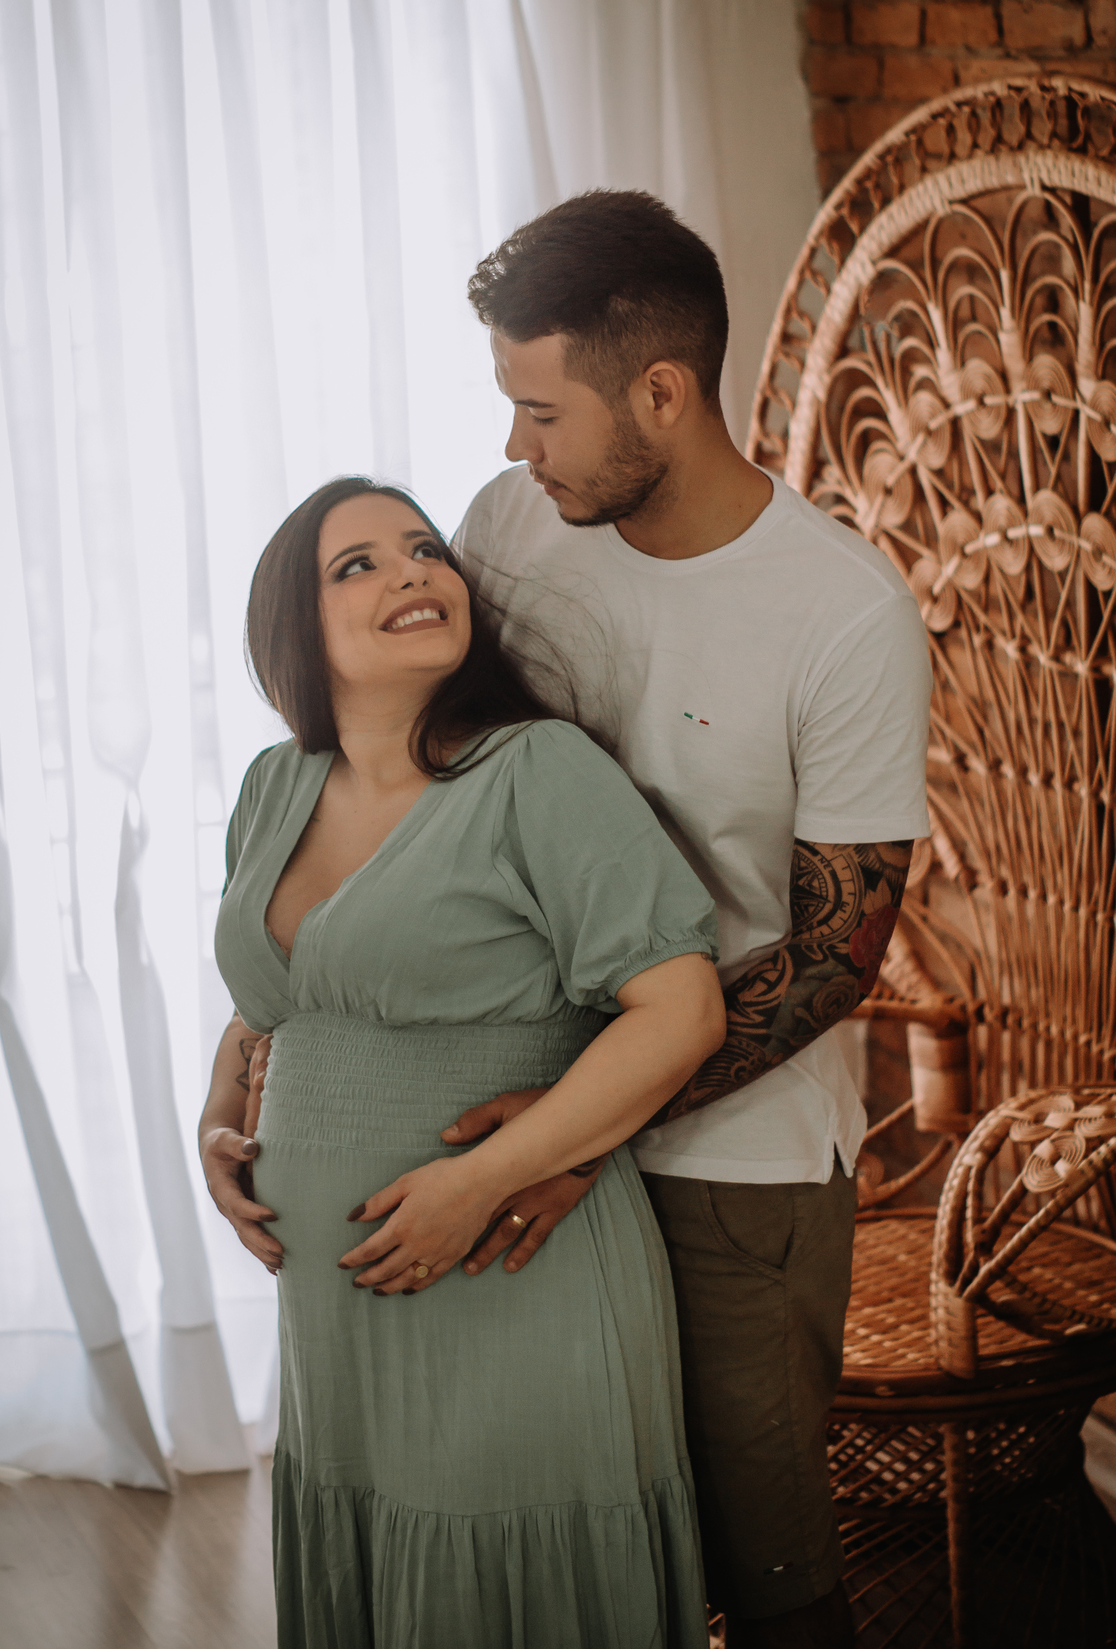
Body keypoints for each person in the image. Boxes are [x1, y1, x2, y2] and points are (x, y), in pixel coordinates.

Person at [440, 191, 932, 1648]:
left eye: (542, 410)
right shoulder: (510, 530)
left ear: (661, 392)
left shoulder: (844, 614)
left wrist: (579, 1123)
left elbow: (837, 955)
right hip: (507, 1116)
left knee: (772, 1582)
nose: (514, 446)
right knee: (571, 1562)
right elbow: (423, 781)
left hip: (737, 1164)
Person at [198, 475, 727, 1648]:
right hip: (336, 1321)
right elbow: (271, 1002)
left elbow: (682, 1010)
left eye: (425, 548)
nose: (413, 571)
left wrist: (477, 1181)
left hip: (509, 1274)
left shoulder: (538, 769)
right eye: (359, 563)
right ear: (293, 625)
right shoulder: (274, 787)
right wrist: (216, 1118)